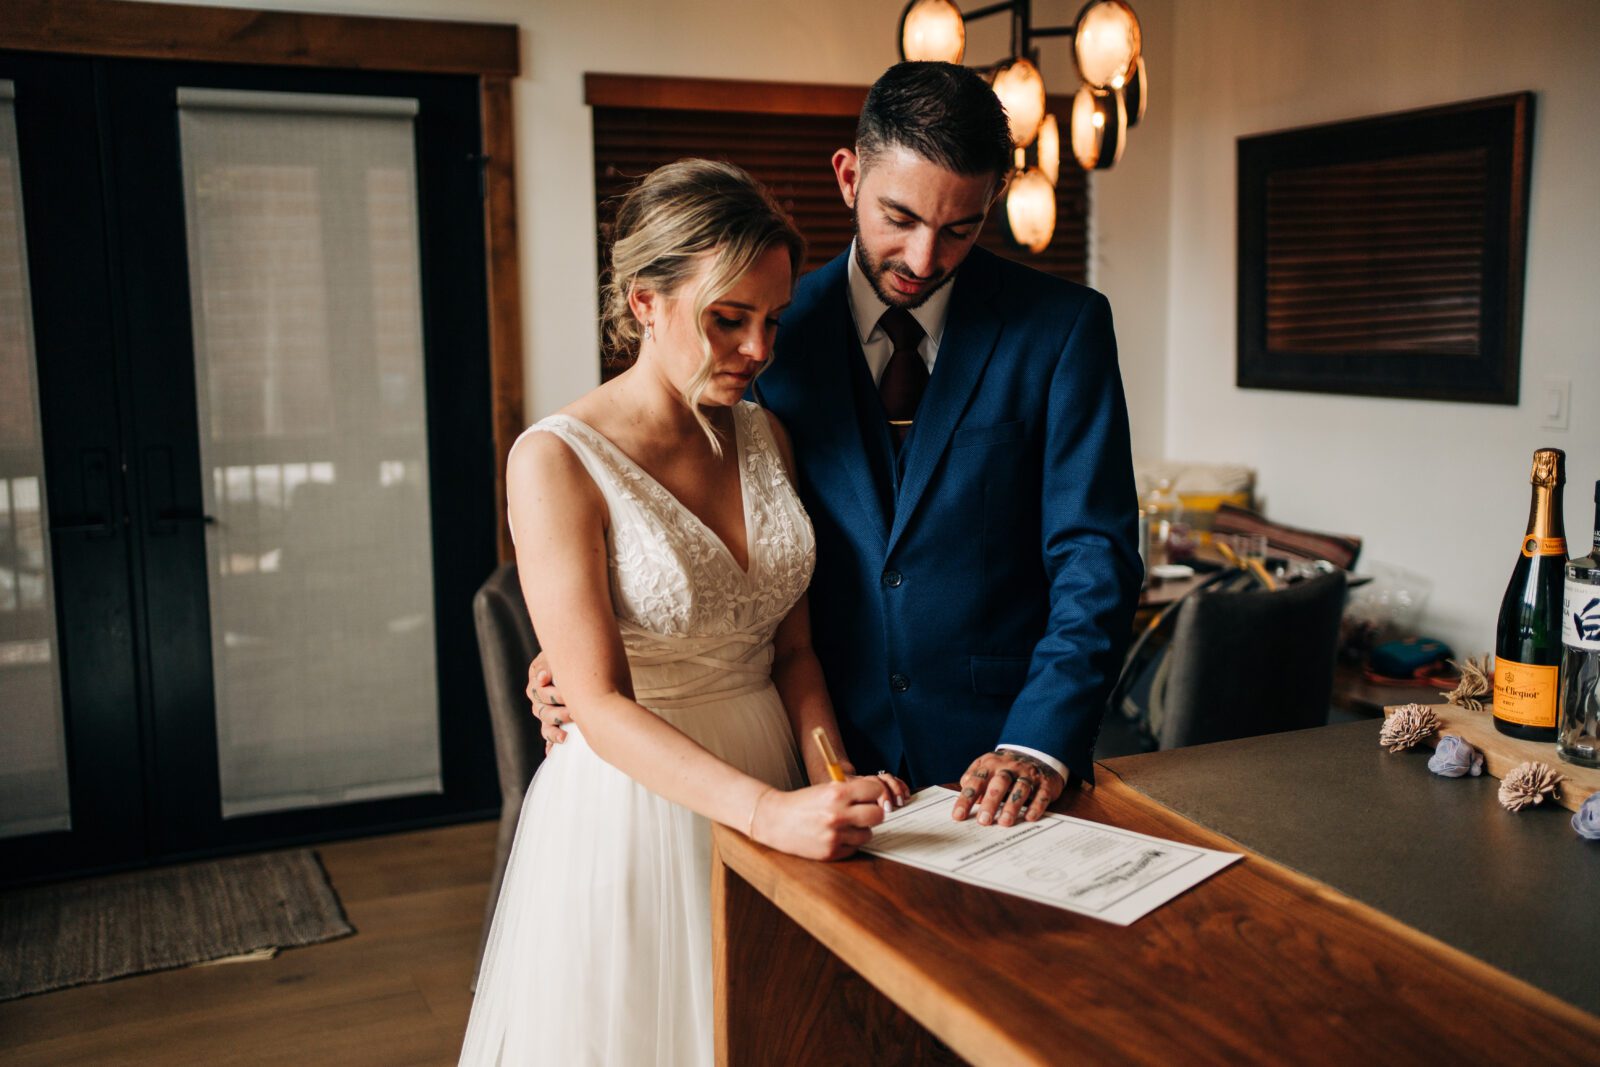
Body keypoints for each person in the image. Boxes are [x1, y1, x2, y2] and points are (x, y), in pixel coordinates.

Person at [535, 61, 1139, 826]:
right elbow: (676, 517)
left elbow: (1095, 554)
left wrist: (1039, 740)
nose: (925, 260)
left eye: (960, 228)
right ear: (849, 177)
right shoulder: (768, 324)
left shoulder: (1062, 328)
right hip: (805, 753)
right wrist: (584, 650)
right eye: (901, 218)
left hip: (1004, 760)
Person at [462, 160, 908, 1067]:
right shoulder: (553, 459)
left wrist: (829, 775)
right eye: (728, 319)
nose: (759, 349)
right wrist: (764, 812)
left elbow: (793, 652)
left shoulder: (767, 434)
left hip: (775, 765)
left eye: (772, 320)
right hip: (637, 804)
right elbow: (597, 700)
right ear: (645, 304)